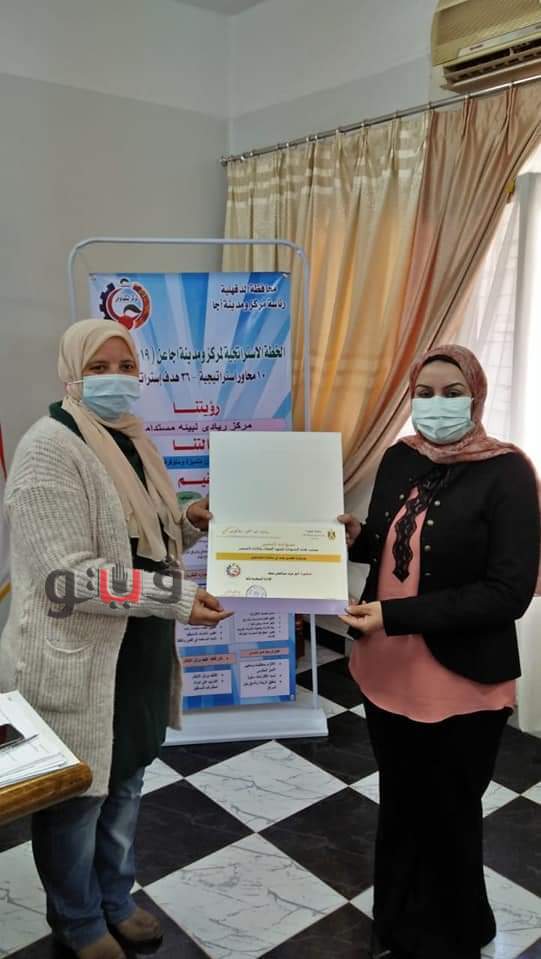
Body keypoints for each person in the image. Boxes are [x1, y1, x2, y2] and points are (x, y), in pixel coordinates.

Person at [0, 319, 232, 959]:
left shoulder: (131, 438)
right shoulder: (49, 448)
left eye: (125, 366)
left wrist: (187, 518)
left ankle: (116, 899)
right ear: (71, 373)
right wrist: (175, 599)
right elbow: (66, 577)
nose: (116, 378)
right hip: (79, 659)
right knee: (77, 801)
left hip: (137, 653)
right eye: (99, 367)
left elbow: (147, 537)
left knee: (125, 783)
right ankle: (78, 921)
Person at [339, 345, 540, 959]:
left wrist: (396, 616)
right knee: (401, 802)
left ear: (475, 396)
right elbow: (393, 543)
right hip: (385, 667)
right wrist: (357, 538)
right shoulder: (401, 456)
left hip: (461, 678)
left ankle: (455, 936)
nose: (436, 405)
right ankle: (397, 923)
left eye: (452, 392)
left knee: (449, 812)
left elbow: (508, 592)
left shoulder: (507, 472)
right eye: (423, 393)